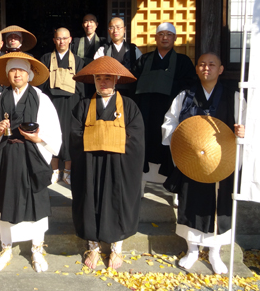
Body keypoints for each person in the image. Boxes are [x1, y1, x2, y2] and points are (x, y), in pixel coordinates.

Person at [161, 52, 245, 274]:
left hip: (220, 162)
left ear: (221, 69)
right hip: (192, 161)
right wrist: (180, 144)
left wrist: (242, 132)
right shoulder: (185, 96)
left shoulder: (232, 96)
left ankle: (215, 253)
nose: (206, 68)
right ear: (196, 69)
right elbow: (169, 123)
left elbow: (246, 124)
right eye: (202, 64)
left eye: (211, 64)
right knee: (190, 204)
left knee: (219, 208)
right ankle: (192, 250)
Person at [0, 52, 62, 273]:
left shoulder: (41, 98)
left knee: (36, 202)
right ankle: (6, 248)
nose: (17, 74)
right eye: (12, 71)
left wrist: (39, 138)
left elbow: (53, 128)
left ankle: (37, 249)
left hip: (32, 155)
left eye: (21, 70)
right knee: (6, 200)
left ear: (29, 74)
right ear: (7, 75)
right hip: (7, 154)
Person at [70, 56, 145, 270]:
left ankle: (116, 248)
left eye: (108, 78)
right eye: (99, 78)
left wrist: (107, 139)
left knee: (117, 203)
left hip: (118, 165)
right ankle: (93, 246)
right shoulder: (83, 106)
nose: (103, 82)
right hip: (90, 164)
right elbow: (74, 135)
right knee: (89, 200)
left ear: (116, 79)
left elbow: (137, 139)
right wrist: (102, 138)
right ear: (93, 80)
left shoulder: (129, 106)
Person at [133, 22, 196, 196]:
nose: (165, 37)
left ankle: (173, 187)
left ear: (174, 38)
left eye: (169, 34)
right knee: (145, 144)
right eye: (161, 34)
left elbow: (190, 84)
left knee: (169, 145)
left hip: (170, 111)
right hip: (146, 111)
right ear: (156, 37)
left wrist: (167, 84)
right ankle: (141, 183)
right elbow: (133, 81)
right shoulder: (144, 59)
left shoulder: (182, 61)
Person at [39, 27, 84, 184]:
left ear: (70, 39)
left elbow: (82, 85)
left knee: (70, 135)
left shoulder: (78, 61)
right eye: (58, 38)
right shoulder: (46, 59)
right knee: (52, 134)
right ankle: (54, 170)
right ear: (54, 40)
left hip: (72, 103)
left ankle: (67, 171)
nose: (62, 41)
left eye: (65, 38)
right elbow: (42, 83)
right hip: (52, 102)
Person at [94, 17, 142, 97]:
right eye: (112, 28)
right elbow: (96, 70)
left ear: (124, 30)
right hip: (109, 91)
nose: (115, 30)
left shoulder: (133, 49)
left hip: (130, 90)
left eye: (118, 27)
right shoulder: (103, 50)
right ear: (108, 31)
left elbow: (141, 68)